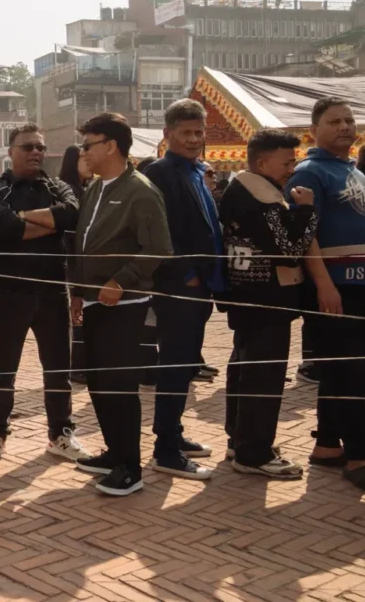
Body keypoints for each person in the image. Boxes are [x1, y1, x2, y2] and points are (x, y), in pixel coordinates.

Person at [0, 124, 89, 464]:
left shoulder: (58, 187)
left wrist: (21, 220)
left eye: (40, 147)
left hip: (53, 293)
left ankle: (60, 434)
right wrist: (47, 224)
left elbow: (72, 214)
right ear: (11, 151)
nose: (35, 152)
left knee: (58, 370)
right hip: (7, 293)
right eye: (27, 147)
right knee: (3, 370)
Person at [70, 112, 172, 496]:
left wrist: (120, 281)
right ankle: (114, 452)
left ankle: (130, 468)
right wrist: (77, 291)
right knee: (98, 381)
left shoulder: (141, 191)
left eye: (88, 145)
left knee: (118, 384)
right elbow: (82, 244)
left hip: (124, 304)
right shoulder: (95, 188)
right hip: (94, 301)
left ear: (111, 146)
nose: (83, 152)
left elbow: (159, 248)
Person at [220, 129, 316, 478]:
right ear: (262, 163)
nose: (292, 169)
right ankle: (254, 452)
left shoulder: (240, 189)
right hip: (267, 301)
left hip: (248, 298)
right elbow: (289, 251)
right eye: (287, 162)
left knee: (245, 370)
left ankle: (240, 440)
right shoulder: (260, 198)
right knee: (264, 376)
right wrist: (307, 211)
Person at [287, 97, 365, 490]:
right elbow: (306, 234)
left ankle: (328, 446)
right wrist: (323, 284)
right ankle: (360, 456)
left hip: (359, 284)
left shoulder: (354, 172)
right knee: (355, 372)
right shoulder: (309, 172)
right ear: (313, 130)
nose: (345, 127)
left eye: (349, 120)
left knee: (339, 369)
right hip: (335, 286)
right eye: (334, 121)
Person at [140, 99, 221, 481]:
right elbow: (159, 231)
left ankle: (172, 433)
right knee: (174, 365)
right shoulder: (159, 172)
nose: (193, 139)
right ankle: (166, 450)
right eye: (185, 132)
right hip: (178, 286)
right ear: (167, 133)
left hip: (201, 284)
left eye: (198, 132)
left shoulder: (197, 171)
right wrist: (186, 274)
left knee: (186, 364)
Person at [59, 144, 92, 386]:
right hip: (72, 261)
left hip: (82, 261)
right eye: (83, 157)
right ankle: (77, 366)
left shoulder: (85, 189)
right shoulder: (67, 191)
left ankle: (81, 365)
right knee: (77, 313)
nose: (89, 161)